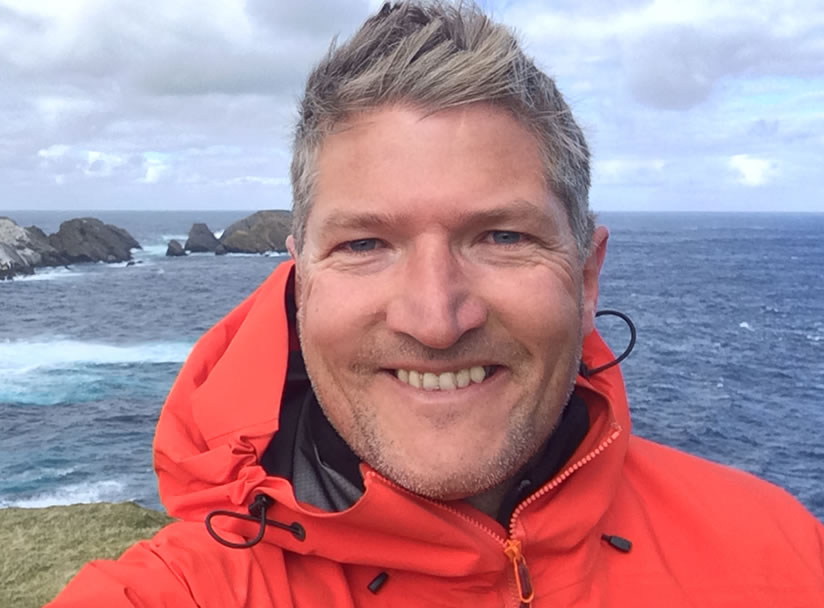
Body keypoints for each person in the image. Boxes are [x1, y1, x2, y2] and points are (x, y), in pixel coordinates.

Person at [48, 3, 824, 606]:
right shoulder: (181, 591)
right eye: (364, 245)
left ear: (587, 279)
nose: (434, 317)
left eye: (501, 236)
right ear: (300, 281)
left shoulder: (783, 554)